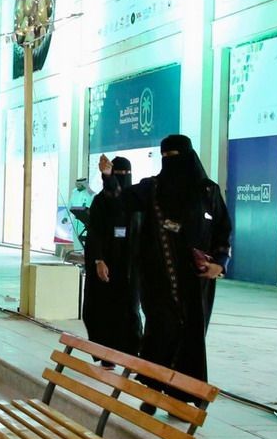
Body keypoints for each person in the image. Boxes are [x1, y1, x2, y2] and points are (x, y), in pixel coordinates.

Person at [99, 135, 231, 408]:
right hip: (159, 281)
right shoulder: (152, 188)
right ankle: (154, 391)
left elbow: (223, 230)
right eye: (165, 157)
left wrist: (219, 263)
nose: (170, 162)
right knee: (161, 334)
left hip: (197, 284)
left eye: (175, 156)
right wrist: (109, 177)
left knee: (191, 336)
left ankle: (183, 396)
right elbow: (119, 201)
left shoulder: (208, 191)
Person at [82, 157, 141, 360]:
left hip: (130, 268)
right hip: (106, 266)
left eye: (126, 174)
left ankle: (131, 355)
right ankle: (105, 355)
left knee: (130, 311)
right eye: (119, 175)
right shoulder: (101, 201)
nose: (123, 178)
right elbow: (95, 233)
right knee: (103, 311)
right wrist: (98, 259)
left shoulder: (136, 201)